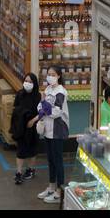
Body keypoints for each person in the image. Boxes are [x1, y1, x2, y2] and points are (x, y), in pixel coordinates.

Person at [36, 66, 70, 204]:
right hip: (48, 130)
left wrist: (44, 104)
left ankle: (59, 192)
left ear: (59, 76)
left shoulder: (61, 92)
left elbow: (56, 112)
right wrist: (44, 106)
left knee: (58, 161)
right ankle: (51, 187)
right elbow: (40, 107)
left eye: (53, 74)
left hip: (58, 130)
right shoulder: (48, 89)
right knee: (50, 160)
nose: (50, 76)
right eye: (48, 74)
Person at [10, 72, 41, 185]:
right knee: (21, 150)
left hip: (33, 126)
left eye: (30, 82)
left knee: (33, 149)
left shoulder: (38, 96)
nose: (27, 83)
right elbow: (15, 108)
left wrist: (33, 121)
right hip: (21, 126)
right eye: (26, 81)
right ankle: (18, 172)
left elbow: (40, 112)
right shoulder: (20, 94)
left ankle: (30, 169)